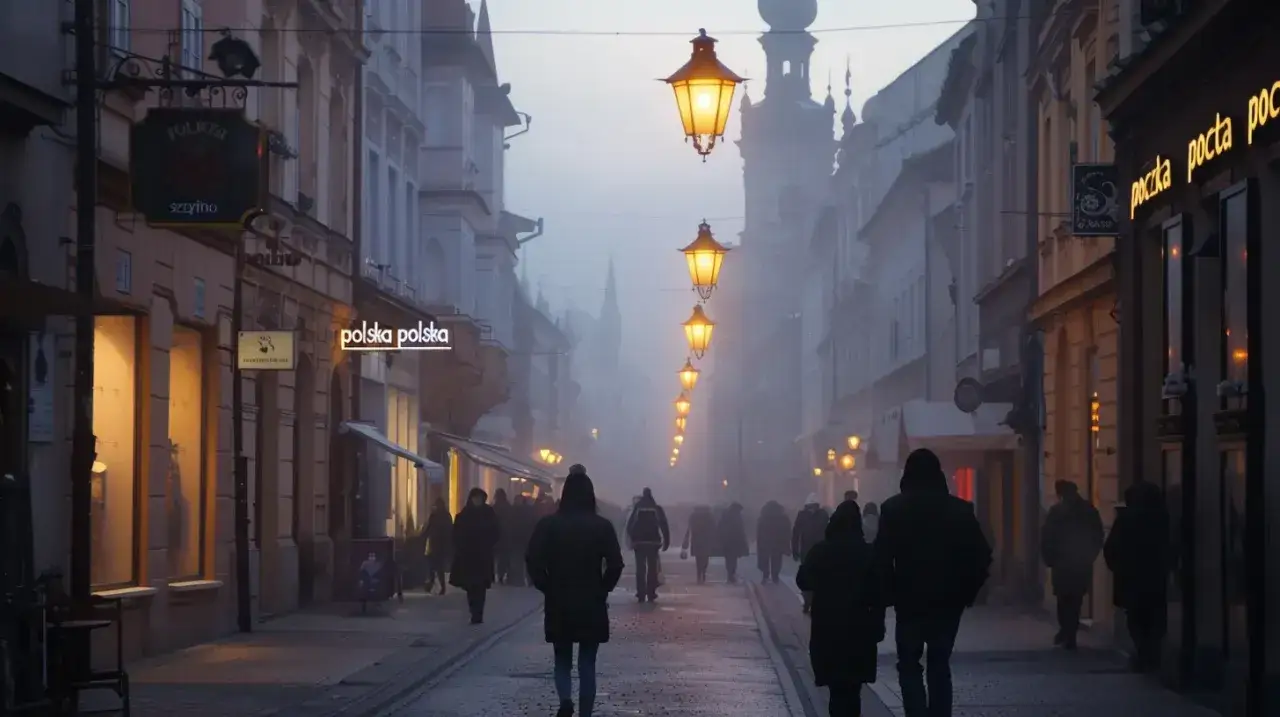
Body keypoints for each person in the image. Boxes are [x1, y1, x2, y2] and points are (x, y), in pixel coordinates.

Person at [876, 448, 991, 717]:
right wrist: (967, 592)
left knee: (908, 664)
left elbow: (881, 559)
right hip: (947, 602)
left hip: (909, 600)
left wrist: (888, 595)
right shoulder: (960, 510)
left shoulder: (893, 509)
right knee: (940, 664)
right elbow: (981, 555)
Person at [527, 465, 624, 717]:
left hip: (559, 598)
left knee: (561, 657)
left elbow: (533, 558)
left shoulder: (549, 525)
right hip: (591, 599)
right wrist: (604, 588)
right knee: (587, 661)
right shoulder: (602, 526)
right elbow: (615, 563)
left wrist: (545, 585)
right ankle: (585, 713)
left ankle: (566, 700)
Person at [797, 500, 885, 716]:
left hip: (828, 626)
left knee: (836, 687)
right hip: (860, 628)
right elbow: (881, 592)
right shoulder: (868, 553)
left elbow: (803, 581)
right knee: (853, 688)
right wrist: (878, 624)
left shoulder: (821, 551)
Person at [1104, 480, 1171, 672]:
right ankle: (1151, 653)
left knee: (1136, 617)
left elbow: (1111, 548)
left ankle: (1144, 652)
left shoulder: (1126, 518)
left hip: (1131, 578)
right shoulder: (1162, 518)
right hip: (1156, 578)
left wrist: (1118, 568)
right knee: (1154, 617)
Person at [1040, 479, 1104, 650]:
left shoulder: (1057, 511)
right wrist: (1089, 555)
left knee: (1064, 599)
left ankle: (1067, 631)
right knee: (1074, 599)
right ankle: (1069, 632)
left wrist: (1049, 558)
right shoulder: (1088, 510)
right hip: (1078, 563)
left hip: (1063, 563)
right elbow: (1097, 535)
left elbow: (1047, 536)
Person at [450, 488, 501, 624]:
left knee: (480, 586)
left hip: (483, 556)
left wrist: (489, 544)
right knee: (471, 586)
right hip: (468, 557)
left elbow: (496, 532)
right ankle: (473, 611)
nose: (477, 501)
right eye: (475, 498)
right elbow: (456, 534)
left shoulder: (488, 513)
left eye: (479, 498)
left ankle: (478, 613)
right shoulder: (464, 515)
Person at [625, 487, 670, 602]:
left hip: (639, 543)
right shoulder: (656, 508)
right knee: (652, 568)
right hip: (653, 542)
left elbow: (630, 525)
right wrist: (666, 541)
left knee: (640, 568)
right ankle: (651, 592)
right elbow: (664, 525)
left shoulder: (637, 508)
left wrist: (632, 539)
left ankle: (640, 592)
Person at [792, 494, 829, 614]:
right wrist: (794, 549)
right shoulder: (804, 516)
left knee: (817, 577)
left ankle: (814, 601)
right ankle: (808, 601)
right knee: (808, 577)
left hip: (819, 551)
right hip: (807, 551)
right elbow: (796, 533)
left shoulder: (823, 515)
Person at [755, 501, 791, 584]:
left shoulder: (763, 517)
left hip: (765, 542)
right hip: (778, 542)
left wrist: (759, 542)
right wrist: (786, 544)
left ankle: (765, 576)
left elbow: (759, 532)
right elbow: (787, 531)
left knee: (765, 559)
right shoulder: (783, 518)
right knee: (777, 560)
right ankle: (775, 576)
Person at [422, 497, 453, 595]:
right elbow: (450, 530)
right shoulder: (446, 516)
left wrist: (423, 536)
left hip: (436, 543)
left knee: (434, 565)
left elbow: (429, 528)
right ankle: (438, 586)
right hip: (440, 544)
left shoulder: (434, 515)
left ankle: (433, 584)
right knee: (438, 567)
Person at [681, 505, 717, 583]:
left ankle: (699, 574)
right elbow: (714, 528)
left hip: (696, 540)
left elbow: (689, 527)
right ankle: (703, 573)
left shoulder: (693, 516)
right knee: (705, 557)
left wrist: (687, 537)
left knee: (698, 558)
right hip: (707, 540)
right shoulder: (710, 516)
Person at [717, 502, 749, 583]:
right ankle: (732, 574)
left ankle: (730, 574)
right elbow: (740, 530)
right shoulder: (737, 517)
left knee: (728, 558)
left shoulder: (725, 515)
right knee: (733, 559)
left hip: (726, 541)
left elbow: (720, 527)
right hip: (735, 541)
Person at [508, 495, 535, 586]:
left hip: (521, 538)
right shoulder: (526, 511)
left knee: (521, 560)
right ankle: (520, 580)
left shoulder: (514, 510)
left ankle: (522, 579)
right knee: (519, 560)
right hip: (519, 539)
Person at [492, 488, 513, 585]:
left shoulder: (495, 507)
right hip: (506, 535)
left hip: (496, 535)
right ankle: (504, 574)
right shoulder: (508, 507)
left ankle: (498, 575)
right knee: (504, 557)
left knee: (497, 557)